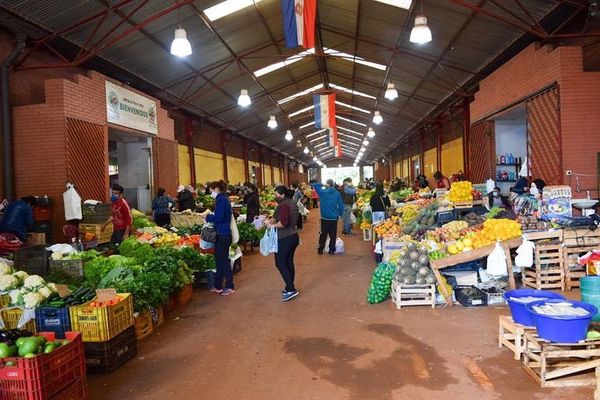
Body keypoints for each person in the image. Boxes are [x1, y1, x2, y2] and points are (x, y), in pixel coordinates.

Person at [267, 186, 300, 302]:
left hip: (285, 237)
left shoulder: (284, 205)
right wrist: (269, 221)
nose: (275, 197)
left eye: (277, 195)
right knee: (288, 261)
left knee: (280, 263)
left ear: (282, 195)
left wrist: (272, 226)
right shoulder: (291, 202)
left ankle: (291, 289)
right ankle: (289, 286)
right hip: (293, 237)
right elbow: (276, 218)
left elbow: (283, 223)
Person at [205, 180, 235, 296]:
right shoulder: (223, 199)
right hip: (222, 234)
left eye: (211, 190)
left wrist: (207, 217)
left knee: (223, 261)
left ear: (216, 189)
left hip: (223, 234)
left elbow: (219, 217)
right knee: (219, 260)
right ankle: (217, 285)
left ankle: (229, 286)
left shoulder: (221, 200)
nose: (211, 192)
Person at [311, 179, 344, 255]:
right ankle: (332, 250)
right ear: (333, 184)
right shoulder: (337, 193)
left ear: (327, 185)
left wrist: (323, 184)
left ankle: (320, 249)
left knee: (323, 233)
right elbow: (341, 205)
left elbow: (315, 185)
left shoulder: (322, 192)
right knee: (333, 234)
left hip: (324, 217)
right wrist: (340, 214)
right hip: (334, 218)